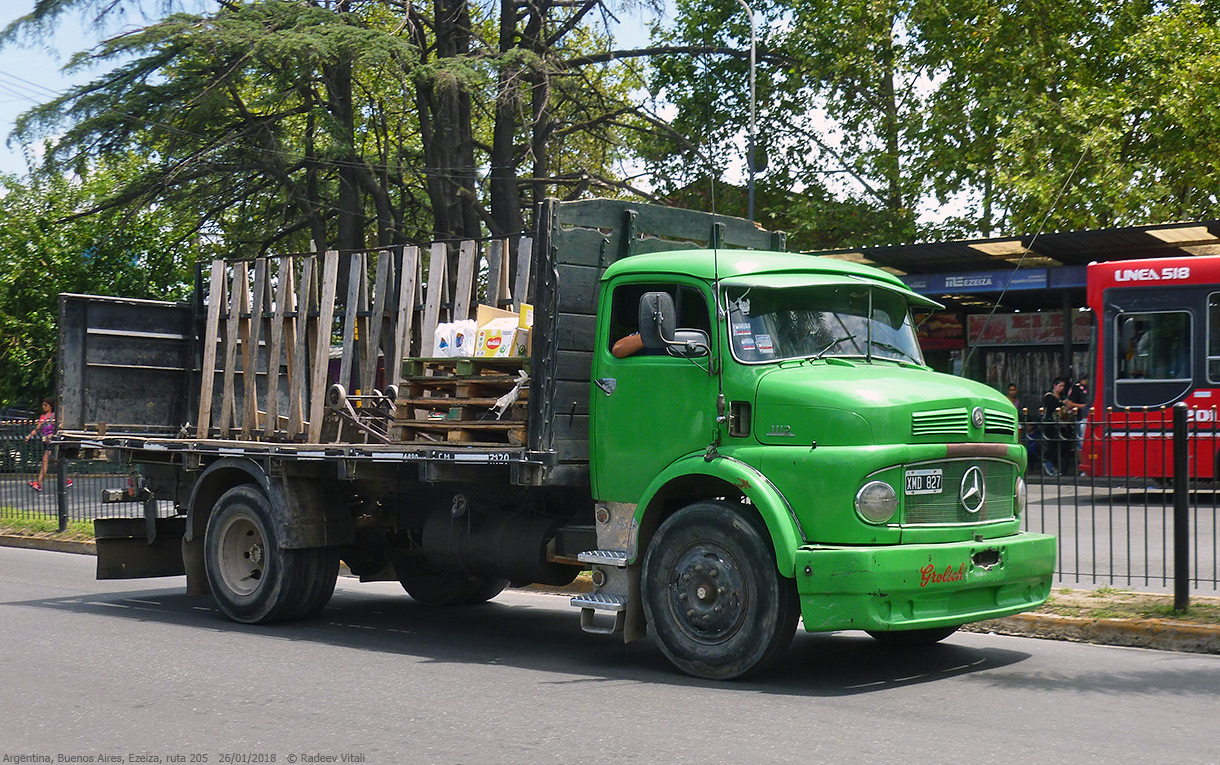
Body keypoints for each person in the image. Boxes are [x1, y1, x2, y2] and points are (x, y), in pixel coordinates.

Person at [25, 398, 55, 492]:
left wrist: (51, 435)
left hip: (52, 441)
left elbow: (57, 428)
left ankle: (38, 483)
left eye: (45, 405)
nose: (43, 407)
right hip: (45, 441)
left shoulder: (54, 416)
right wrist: (29, 435)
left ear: (50, 406)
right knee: (55, 462)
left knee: (45, 460)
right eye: (42, 405)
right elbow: (38, 429)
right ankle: (66, 480)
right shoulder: (42, 417)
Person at [1040, 378, 1068, 476]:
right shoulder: (1049, 396)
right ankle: (1048, 462)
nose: (1062, 388)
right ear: (1054, 386)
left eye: (1063, 386)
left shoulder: (1063, 396)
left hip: (1061, 424)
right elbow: (1052, 406)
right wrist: (1062, 403)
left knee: (1062, 445)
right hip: (1050, 423)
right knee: (1052, 443)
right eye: (1060, 386)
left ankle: (1055, 464)